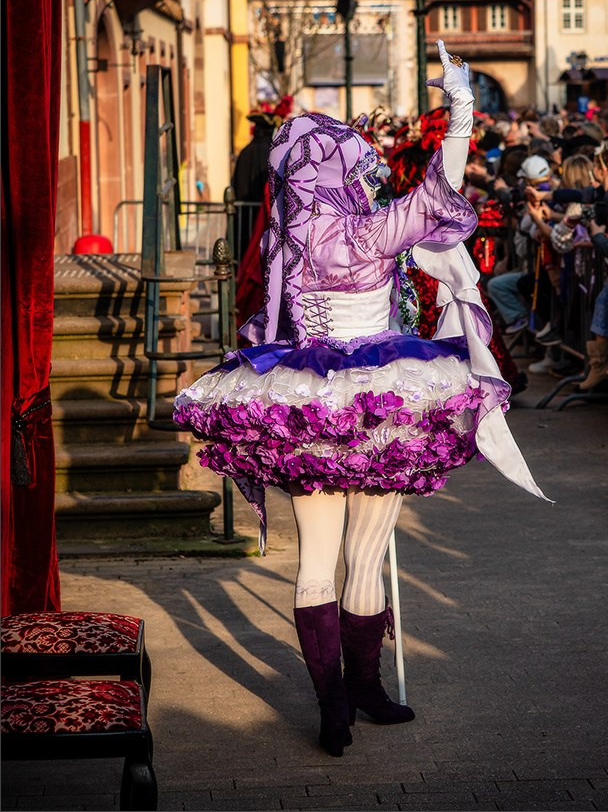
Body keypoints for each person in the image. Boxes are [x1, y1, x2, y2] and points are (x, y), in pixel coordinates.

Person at [173, 41, 550, 759]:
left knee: (316, 561)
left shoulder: (287, 237)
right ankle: (359, 692)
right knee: (364, 558)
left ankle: (339, 705)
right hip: (382, 398)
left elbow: (271, 306)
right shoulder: (374, 228)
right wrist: (461, 110)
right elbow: (442, 188)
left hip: (306, 398)